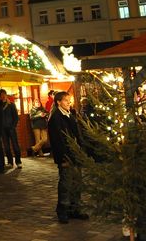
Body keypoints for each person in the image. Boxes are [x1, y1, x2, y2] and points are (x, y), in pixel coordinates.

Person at [48, 90, 89, 224]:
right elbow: (57, 141)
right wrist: (63, 158)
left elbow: (77, 135)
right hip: (66, 156)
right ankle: (63, 210)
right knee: (65, 184)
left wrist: (81, 151)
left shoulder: (70, 115)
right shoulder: (55, 118)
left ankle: (75, 209)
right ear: (58, 102)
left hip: (75, 155)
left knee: (77, 183)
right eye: (66, 100)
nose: (69, 103)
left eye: (69, 100)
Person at [0, 89, 22, 168]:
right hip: (3, 129)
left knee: (15, 145)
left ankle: (18, 161)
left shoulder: (11, 105)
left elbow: (16, 117)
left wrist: (13, 125)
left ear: (6, 95)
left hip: (11, 128)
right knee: (6, 146)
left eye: (4, 94)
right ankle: (10, 162)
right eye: (1, 95)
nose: (3, 96)